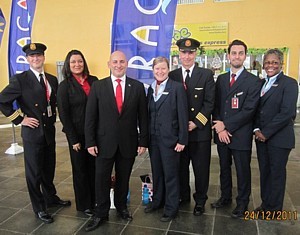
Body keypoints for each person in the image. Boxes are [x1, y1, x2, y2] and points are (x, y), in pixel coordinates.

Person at [0, 43, 71, 224]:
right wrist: (19, 120)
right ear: (27, 59)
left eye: (38, 55)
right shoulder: (20, 79)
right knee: (34, 173)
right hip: (32, 133)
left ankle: (50, 197)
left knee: (49, 168)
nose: (36, 58)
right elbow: (2, 101)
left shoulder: (52, 79)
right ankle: (39, 207)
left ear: (43, 57)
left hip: (48, 131)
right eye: (32, 56)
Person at [84, 50, 148, 232]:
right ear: (109, 64)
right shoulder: (98, 86)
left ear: (126, 64)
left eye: (122, 62)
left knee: (123, 178)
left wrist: (143, 141)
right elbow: (91, 117)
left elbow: (143, 117)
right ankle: (100, 213)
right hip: (103, 143)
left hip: (128, 142)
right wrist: (90, 142)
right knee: (101, 179)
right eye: (115, 62)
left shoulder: (136, 87)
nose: (118, 65)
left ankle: (121, 207)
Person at [211, 39, 262, 218]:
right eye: (234, 53)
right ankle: (225, 197)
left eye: (241, 53)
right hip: (222, 134)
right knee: (224, 168)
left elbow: (249, 110)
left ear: (245, 56)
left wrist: (226, 125)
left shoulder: (254, 81)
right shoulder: (222, 79)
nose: (237, 56)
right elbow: (216, 105)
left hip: (240, 135)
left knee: (242, 170)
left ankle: (242, 203)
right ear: (228, 56)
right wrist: (219, 128)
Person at [169, 38, 215, 216]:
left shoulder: (206, 74)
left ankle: (200, 200)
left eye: (191, 52)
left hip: (199, 133)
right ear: (179, 54)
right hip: (180, 134)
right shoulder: (172, 75)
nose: (187, 56)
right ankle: (183, 196)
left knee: (201, 169)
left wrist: (196, 122)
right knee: (180, 168)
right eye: (183, 52)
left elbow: (210, 103)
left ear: (196, 54)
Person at [254, 49, 298, 215]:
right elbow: (257, 110)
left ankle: (274, 209)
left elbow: (287, 112)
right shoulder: (262, 83)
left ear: (281, 64)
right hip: (261, 137)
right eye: (267, 62)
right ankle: (266, 204)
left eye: (274, 62)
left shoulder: (290, 83)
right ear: (263, 64)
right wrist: (257, 129)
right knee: (265, 172)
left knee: (276, 174)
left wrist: (266, 132)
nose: (270, 65)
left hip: (279, 139)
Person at [144, 57, 188, 222]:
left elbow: (183, 115)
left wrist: (182, 140)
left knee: (171, 175)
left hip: (171, 140)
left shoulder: (176, 88)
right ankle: (158, 201)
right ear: (153, 70)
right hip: (154, 139)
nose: (160, 72)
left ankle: (171, 208)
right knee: (157, 173)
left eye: (163, 69)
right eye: (157, 69)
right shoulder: (150, 89)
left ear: (168, 69)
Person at [57, 50, 98, 217]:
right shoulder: (64, 86)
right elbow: (64, 115)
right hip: (77, 136)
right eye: (73, 62)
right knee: (80, 170)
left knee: (95, 168)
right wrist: (73, 139)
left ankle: (96, 199)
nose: (77, 64)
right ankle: (84, 205)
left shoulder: (94, 81)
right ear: (68, 64)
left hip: (95, 134)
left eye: (80, 61)